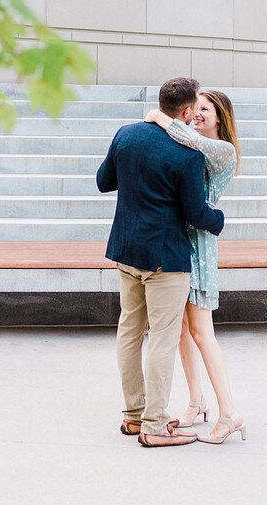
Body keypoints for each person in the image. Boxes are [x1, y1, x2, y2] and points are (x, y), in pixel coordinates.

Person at [97, 77, 225, 448]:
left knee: (130, 333)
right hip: (165, 260)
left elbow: (104, 182)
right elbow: (197, 214)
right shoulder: (187, 155)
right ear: (186, 112)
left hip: (126, 251)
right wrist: (220, 219)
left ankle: (133, 417)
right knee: (162, 342)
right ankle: (155, 425)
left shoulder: (126, 135)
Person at [143, 90, 246, 445]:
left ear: (221, 117)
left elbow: (183, 133)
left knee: (202, 332)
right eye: (196, 108)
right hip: (178, 240)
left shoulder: (223, 150)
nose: (198, 114)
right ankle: (197, 402)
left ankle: (229, 414)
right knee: (183, 331)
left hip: (199, 244)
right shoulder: (194, 144)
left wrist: (160, 116)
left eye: (205, 109)